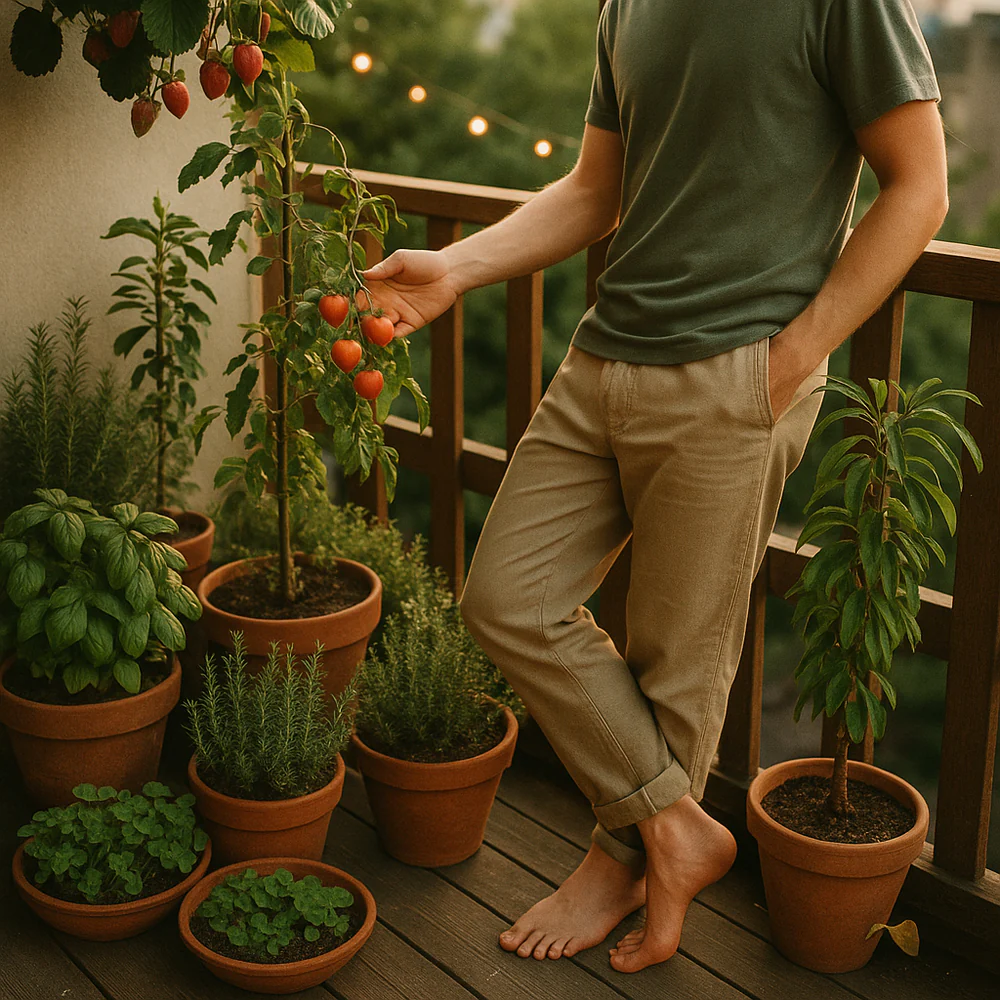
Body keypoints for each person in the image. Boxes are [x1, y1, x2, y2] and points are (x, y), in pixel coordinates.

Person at [360, 0, 947, 975]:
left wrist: (791, 359)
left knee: (676, 665)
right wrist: (454, 268)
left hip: (736, 373)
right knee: (505, 598)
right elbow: (596, 189)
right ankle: (679, 830)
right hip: (602, 354)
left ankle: (621, 864)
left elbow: (920, 187)